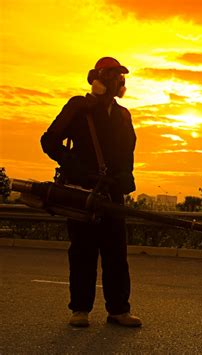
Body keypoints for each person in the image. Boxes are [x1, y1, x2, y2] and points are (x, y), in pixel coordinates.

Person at [40, 57, 141, 327]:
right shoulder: (79, 107)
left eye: (121, 77)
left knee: (116, 253)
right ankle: (80, 310)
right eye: (114, 76)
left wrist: (125, 177)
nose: (119, 81)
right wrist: (73, 165)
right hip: (81, 192)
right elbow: (49, 141)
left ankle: (119, 310)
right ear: (98, 78)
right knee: (83, 252)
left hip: (111, 194)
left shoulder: (123, 115)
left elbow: (128, 152)